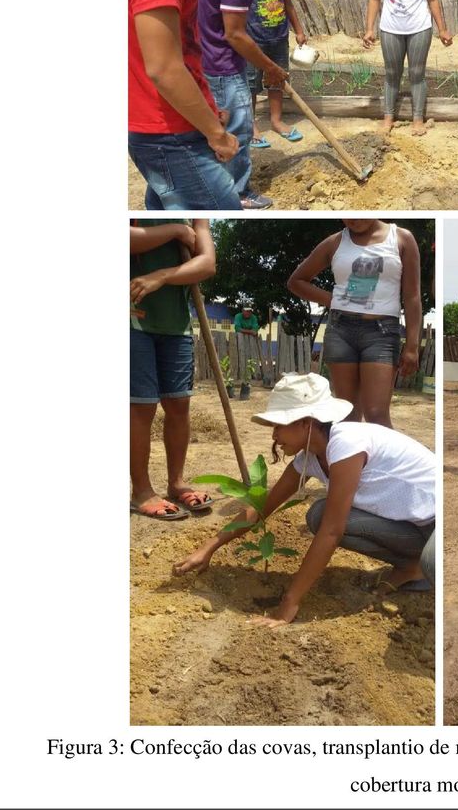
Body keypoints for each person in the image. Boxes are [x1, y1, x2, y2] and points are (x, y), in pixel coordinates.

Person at [172, 373, 437, 624]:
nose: (274, 434)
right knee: (318, 515)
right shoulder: (310, 456)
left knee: (433, 562)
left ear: (306, 423)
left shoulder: (346, 444)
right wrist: (209, 548)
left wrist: (289, 603)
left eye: (279, 425)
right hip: (411, 524)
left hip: (437, 520)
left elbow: (333, 532)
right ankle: (410, 565)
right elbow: (263, 507)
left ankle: (422, 564)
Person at [128, 0, 243, 211]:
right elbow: (164, 69)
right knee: (222, 209)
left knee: (168, 215)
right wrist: (216, 134)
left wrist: (206, 110)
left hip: (161, 126)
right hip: (170, 132)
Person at [196, 0, 293, 210]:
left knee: (218, 128)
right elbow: (236, 35)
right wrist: (271, 68)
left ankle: (216, 184)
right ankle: (238, 193)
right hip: (225, 67)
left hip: (207, 60)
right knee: (237, 132)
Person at [288, 220, 422, 428]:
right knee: (346, 414)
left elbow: (412, 296)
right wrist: (334, 300)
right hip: (341, 332)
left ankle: (383, 461)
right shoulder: (335, 243)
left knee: (376, 415)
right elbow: (296, 281)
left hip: (382, 334)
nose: (354, 219)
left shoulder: (402, 239)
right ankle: (351, 461)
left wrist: (412, 346)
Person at [130, 219, 216, 520]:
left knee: (179, 402)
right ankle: (141, 491)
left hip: (176, 322)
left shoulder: (196, 214)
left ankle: (176, 483)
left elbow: (206, 263)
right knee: (141, 407)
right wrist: (176, 231)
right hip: (132, 317)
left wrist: (162, 276)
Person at [362, 0, 453, 136]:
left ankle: (418, 119)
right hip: (390, 27)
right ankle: (388, 117)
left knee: (417, 73)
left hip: (419, 27)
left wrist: (442, 29)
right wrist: (369, 28)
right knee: (392, 73)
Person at [244, 0, 309, 149]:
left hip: (279, 39)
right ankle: (250, 126)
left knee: (278, 81)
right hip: (253, 41)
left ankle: (276, 121)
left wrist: (299, 31)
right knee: (250, 85)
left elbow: (289, 5)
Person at [233, 304, 262, 400]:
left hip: (251, 343)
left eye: (250, 311)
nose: (248, 313)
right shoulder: (238, 316)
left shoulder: (253, 317)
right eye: (246, 311)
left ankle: (253, 376)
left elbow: (255, 330)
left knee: (252, 359)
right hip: (239, 341)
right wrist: (250, 332)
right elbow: (237, 329)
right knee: (240, 358)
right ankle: (239, 376)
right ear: (242, 311)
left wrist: (245, 331)